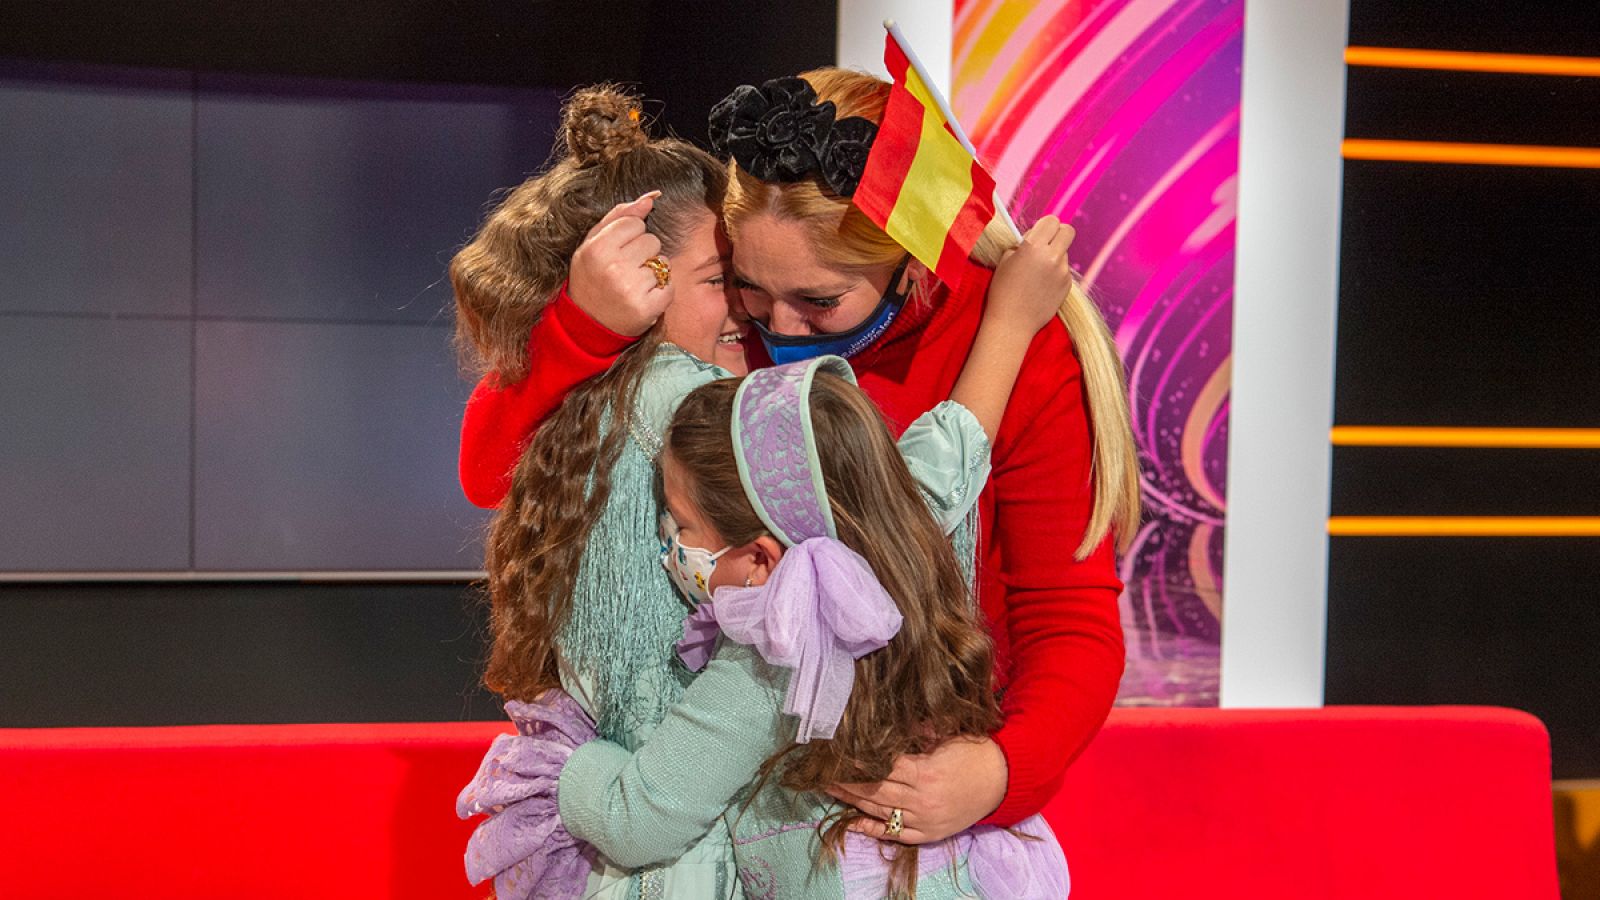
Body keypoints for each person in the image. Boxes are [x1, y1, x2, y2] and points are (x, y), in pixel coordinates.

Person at [456, 68, 1140, 842]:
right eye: (745, 286)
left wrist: (998, 774)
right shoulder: (722, 316)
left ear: (911, 260)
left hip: (896, 791)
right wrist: (582, 327)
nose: (774, 327)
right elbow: (493, 473)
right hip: (723, 784)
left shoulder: (1018, 341)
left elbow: (1067, 615)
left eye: (819, 301)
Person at [464, 358, 1072, 899]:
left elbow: (639, 819)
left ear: (759, 560)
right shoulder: (898, 548)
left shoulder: (770, 656)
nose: (669, 545)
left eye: (680, 524)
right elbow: (952, 451)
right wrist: (1010, 327)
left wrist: (566, 767)